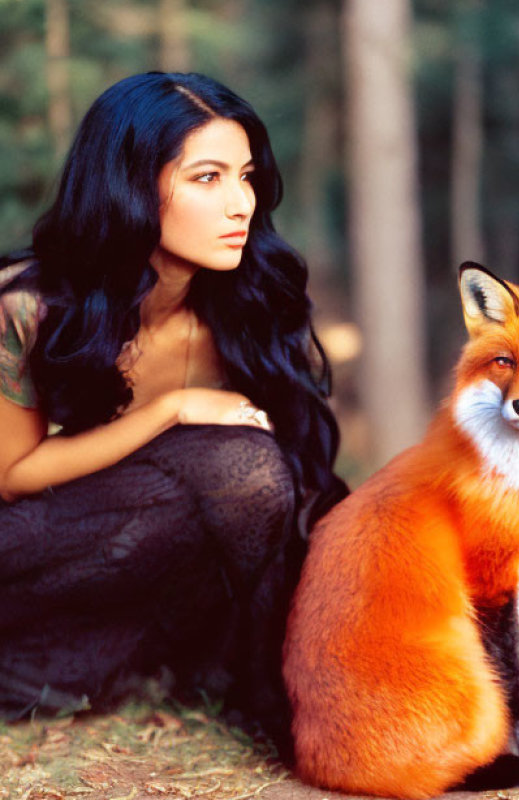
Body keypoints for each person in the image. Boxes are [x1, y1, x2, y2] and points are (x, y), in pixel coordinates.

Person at [0, 72, 347, 751]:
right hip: (24, 553)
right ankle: (258, 696)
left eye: (246, 176)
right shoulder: (28, 306)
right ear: (129, 185)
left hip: (137, 558)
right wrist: (172, 410)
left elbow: (289, 480)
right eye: (207, 178)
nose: (240, 204)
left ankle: (261, 682)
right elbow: (13, 475)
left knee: (261, 477)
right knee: (236, 464)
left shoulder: (248, 304)